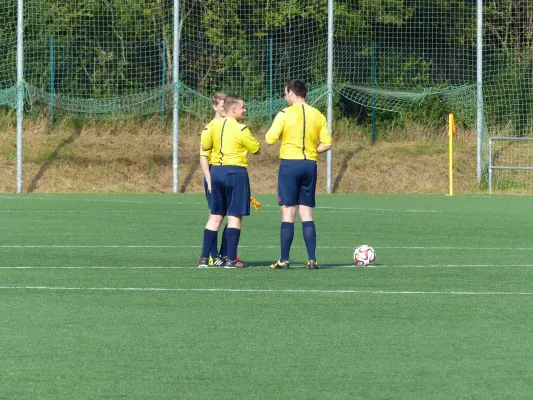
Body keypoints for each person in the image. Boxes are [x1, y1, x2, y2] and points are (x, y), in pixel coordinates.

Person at [265, 79, 332, 269]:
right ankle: (312, 259)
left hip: (289, 165)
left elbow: (269, 139)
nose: (285, 97)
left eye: (285, 93)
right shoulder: (317, 114)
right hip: (309, 165)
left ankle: (284, 260)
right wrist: (310, 150)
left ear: (291, 93)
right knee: (306, 213)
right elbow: (327, 143)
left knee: (288, 212)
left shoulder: (284, 114)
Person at [197, 95, 261, 268]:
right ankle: (231, 259)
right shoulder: (241, 129)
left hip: (216, 172)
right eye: (243, 107)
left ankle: (204, 258)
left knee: (215, 216)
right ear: (233, 110)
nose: (245, 110)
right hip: (235, 173)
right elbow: (256, 149)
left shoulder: (212, 127)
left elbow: (204, 148)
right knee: (234, 216)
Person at [200, 93, 227, 267]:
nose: (225, 108)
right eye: (222, 105)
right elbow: (203, 156)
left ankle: (221, 255)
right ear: (215, 107)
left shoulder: (230, 126)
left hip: (226, 175)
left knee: (227, 215)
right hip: (214, 176)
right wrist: (209, 179)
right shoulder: (209, 128)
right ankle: (213, 254)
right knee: (215, 215)